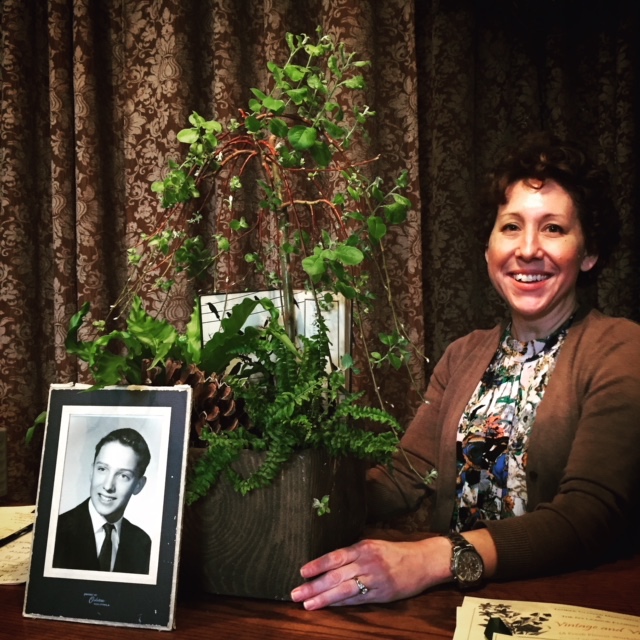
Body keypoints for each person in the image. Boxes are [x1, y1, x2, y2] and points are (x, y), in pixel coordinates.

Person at [290, 132, 640, 609]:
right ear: (488, 248)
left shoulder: (621, 348)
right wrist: (292, 481)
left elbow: (587, 517)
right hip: (454, 612)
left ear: (589, 252)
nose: (528, 248)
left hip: (565, 611)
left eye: (554, 228)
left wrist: (434, 558)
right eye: (511, 227)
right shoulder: (464, 354)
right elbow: (401, 481)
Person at [53, 427, 152, 574]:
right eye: (102, 469)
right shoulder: (56, 531)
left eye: (123, 476)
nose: (108, 486)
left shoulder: (142, 543)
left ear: (138, 485)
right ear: (92, 471)